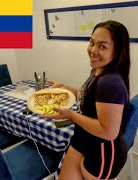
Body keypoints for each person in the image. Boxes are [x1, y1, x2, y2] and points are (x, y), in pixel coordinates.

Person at [43, 20, 130, 179]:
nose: (93, 50)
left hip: (102, 154)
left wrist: (71, 115)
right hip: (84, 139)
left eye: (102, 46)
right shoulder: (98, 69)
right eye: (92, 43)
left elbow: (109, 132)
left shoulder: (110, 83)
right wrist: (64, 89)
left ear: (117, 51)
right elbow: (89, 97)